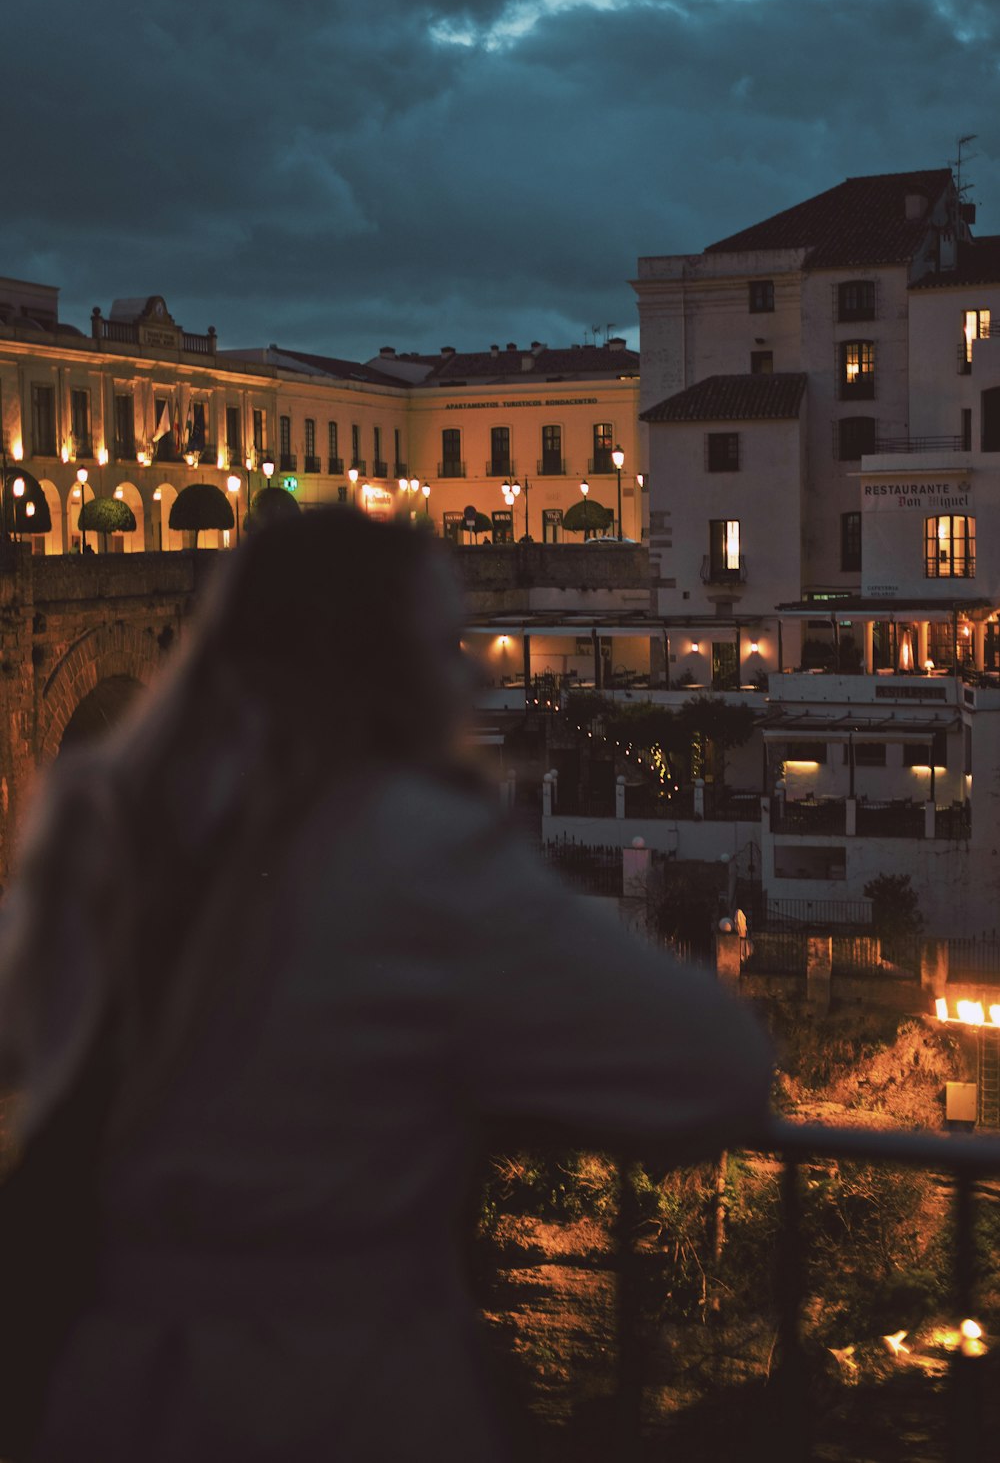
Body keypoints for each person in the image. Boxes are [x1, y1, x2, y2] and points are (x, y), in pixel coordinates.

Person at [0, 508, 772, 1463]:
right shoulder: (416, 845)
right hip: (332, 1393)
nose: (468, 672)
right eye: (442, 647)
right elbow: (717, 1065)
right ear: (386, 673)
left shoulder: (114, 819)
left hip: (107, 1392)